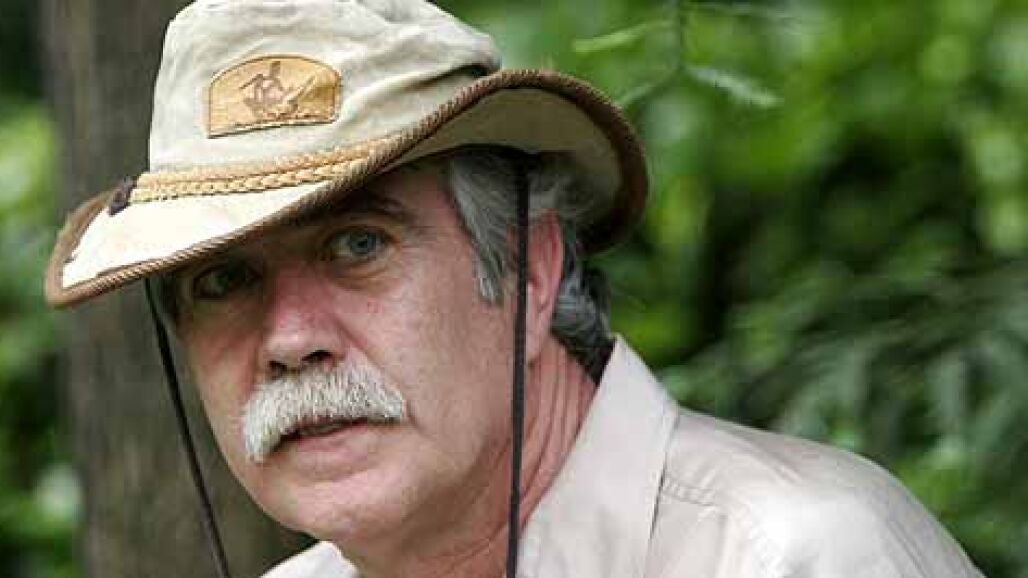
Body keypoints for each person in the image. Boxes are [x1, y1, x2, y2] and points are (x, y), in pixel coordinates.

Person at [45, 1, 983, 576]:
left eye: (359, 244)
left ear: (532, 271)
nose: (290, 337)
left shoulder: (793, 556)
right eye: (224, 277)